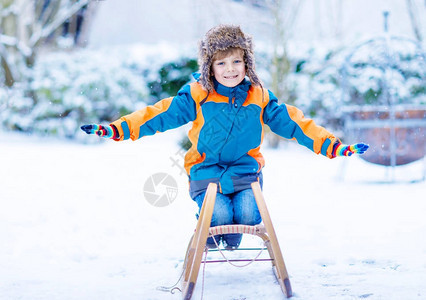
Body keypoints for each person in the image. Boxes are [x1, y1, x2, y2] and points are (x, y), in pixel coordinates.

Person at [81, 24, 369, 250]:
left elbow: (295, 123)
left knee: (246, 215)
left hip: (246, 172)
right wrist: (118, 128)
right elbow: (158, 114)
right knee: (217, 217)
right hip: (206, 172)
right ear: (209, 67)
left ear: (247, 64)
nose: (230, 69)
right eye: (221, 63)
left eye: (236, 61)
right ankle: (209, 233)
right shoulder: (198, 94)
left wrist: (332, 145)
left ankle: (229, 238)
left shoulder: (259, 96)